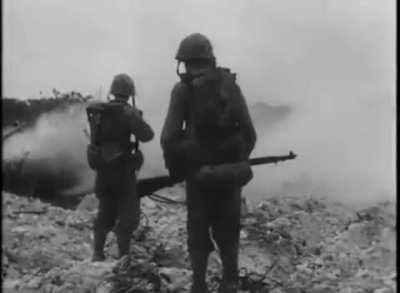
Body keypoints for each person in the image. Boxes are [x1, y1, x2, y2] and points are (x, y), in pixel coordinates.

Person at [160, 33, 257, 293]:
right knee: (229, 234)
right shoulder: (230, 86)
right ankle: (230, 282)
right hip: (231, 175)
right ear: (210, 59)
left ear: (184, 62)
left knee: (199, 235)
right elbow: (249, 134)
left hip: (200, 178)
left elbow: (168, 139)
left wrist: (184, 168)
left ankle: (199, 284)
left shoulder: (182, 90)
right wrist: (236, 161)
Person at [86, 73, 154, 261]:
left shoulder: (98, 112)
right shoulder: (128, 112)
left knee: (105, 211)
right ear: (130, 93)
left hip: (103, 172)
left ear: (112, 92)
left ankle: (97, 253)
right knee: (128, 215)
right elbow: (148, 135)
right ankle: (123, 256)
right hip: (123, 172)